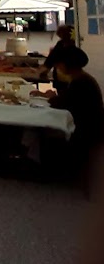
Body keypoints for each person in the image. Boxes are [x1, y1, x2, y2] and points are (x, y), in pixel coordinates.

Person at [32, 45, 103, 176]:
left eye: (58, 64)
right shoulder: (82, 79)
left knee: (40, 127)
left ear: (65, 65)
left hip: (85, 130)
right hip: (89, 125)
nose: (57, 68)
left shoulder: (80, 83)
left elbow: (61, 103)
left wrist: (52, 98)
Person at [39, 25, 78, 93]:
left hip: (62, 77)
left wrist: (43, 72)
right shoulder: (75, 45)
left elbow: (50, 61)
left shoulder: (61, 45)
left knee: (63, 95)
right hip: (73, 77)